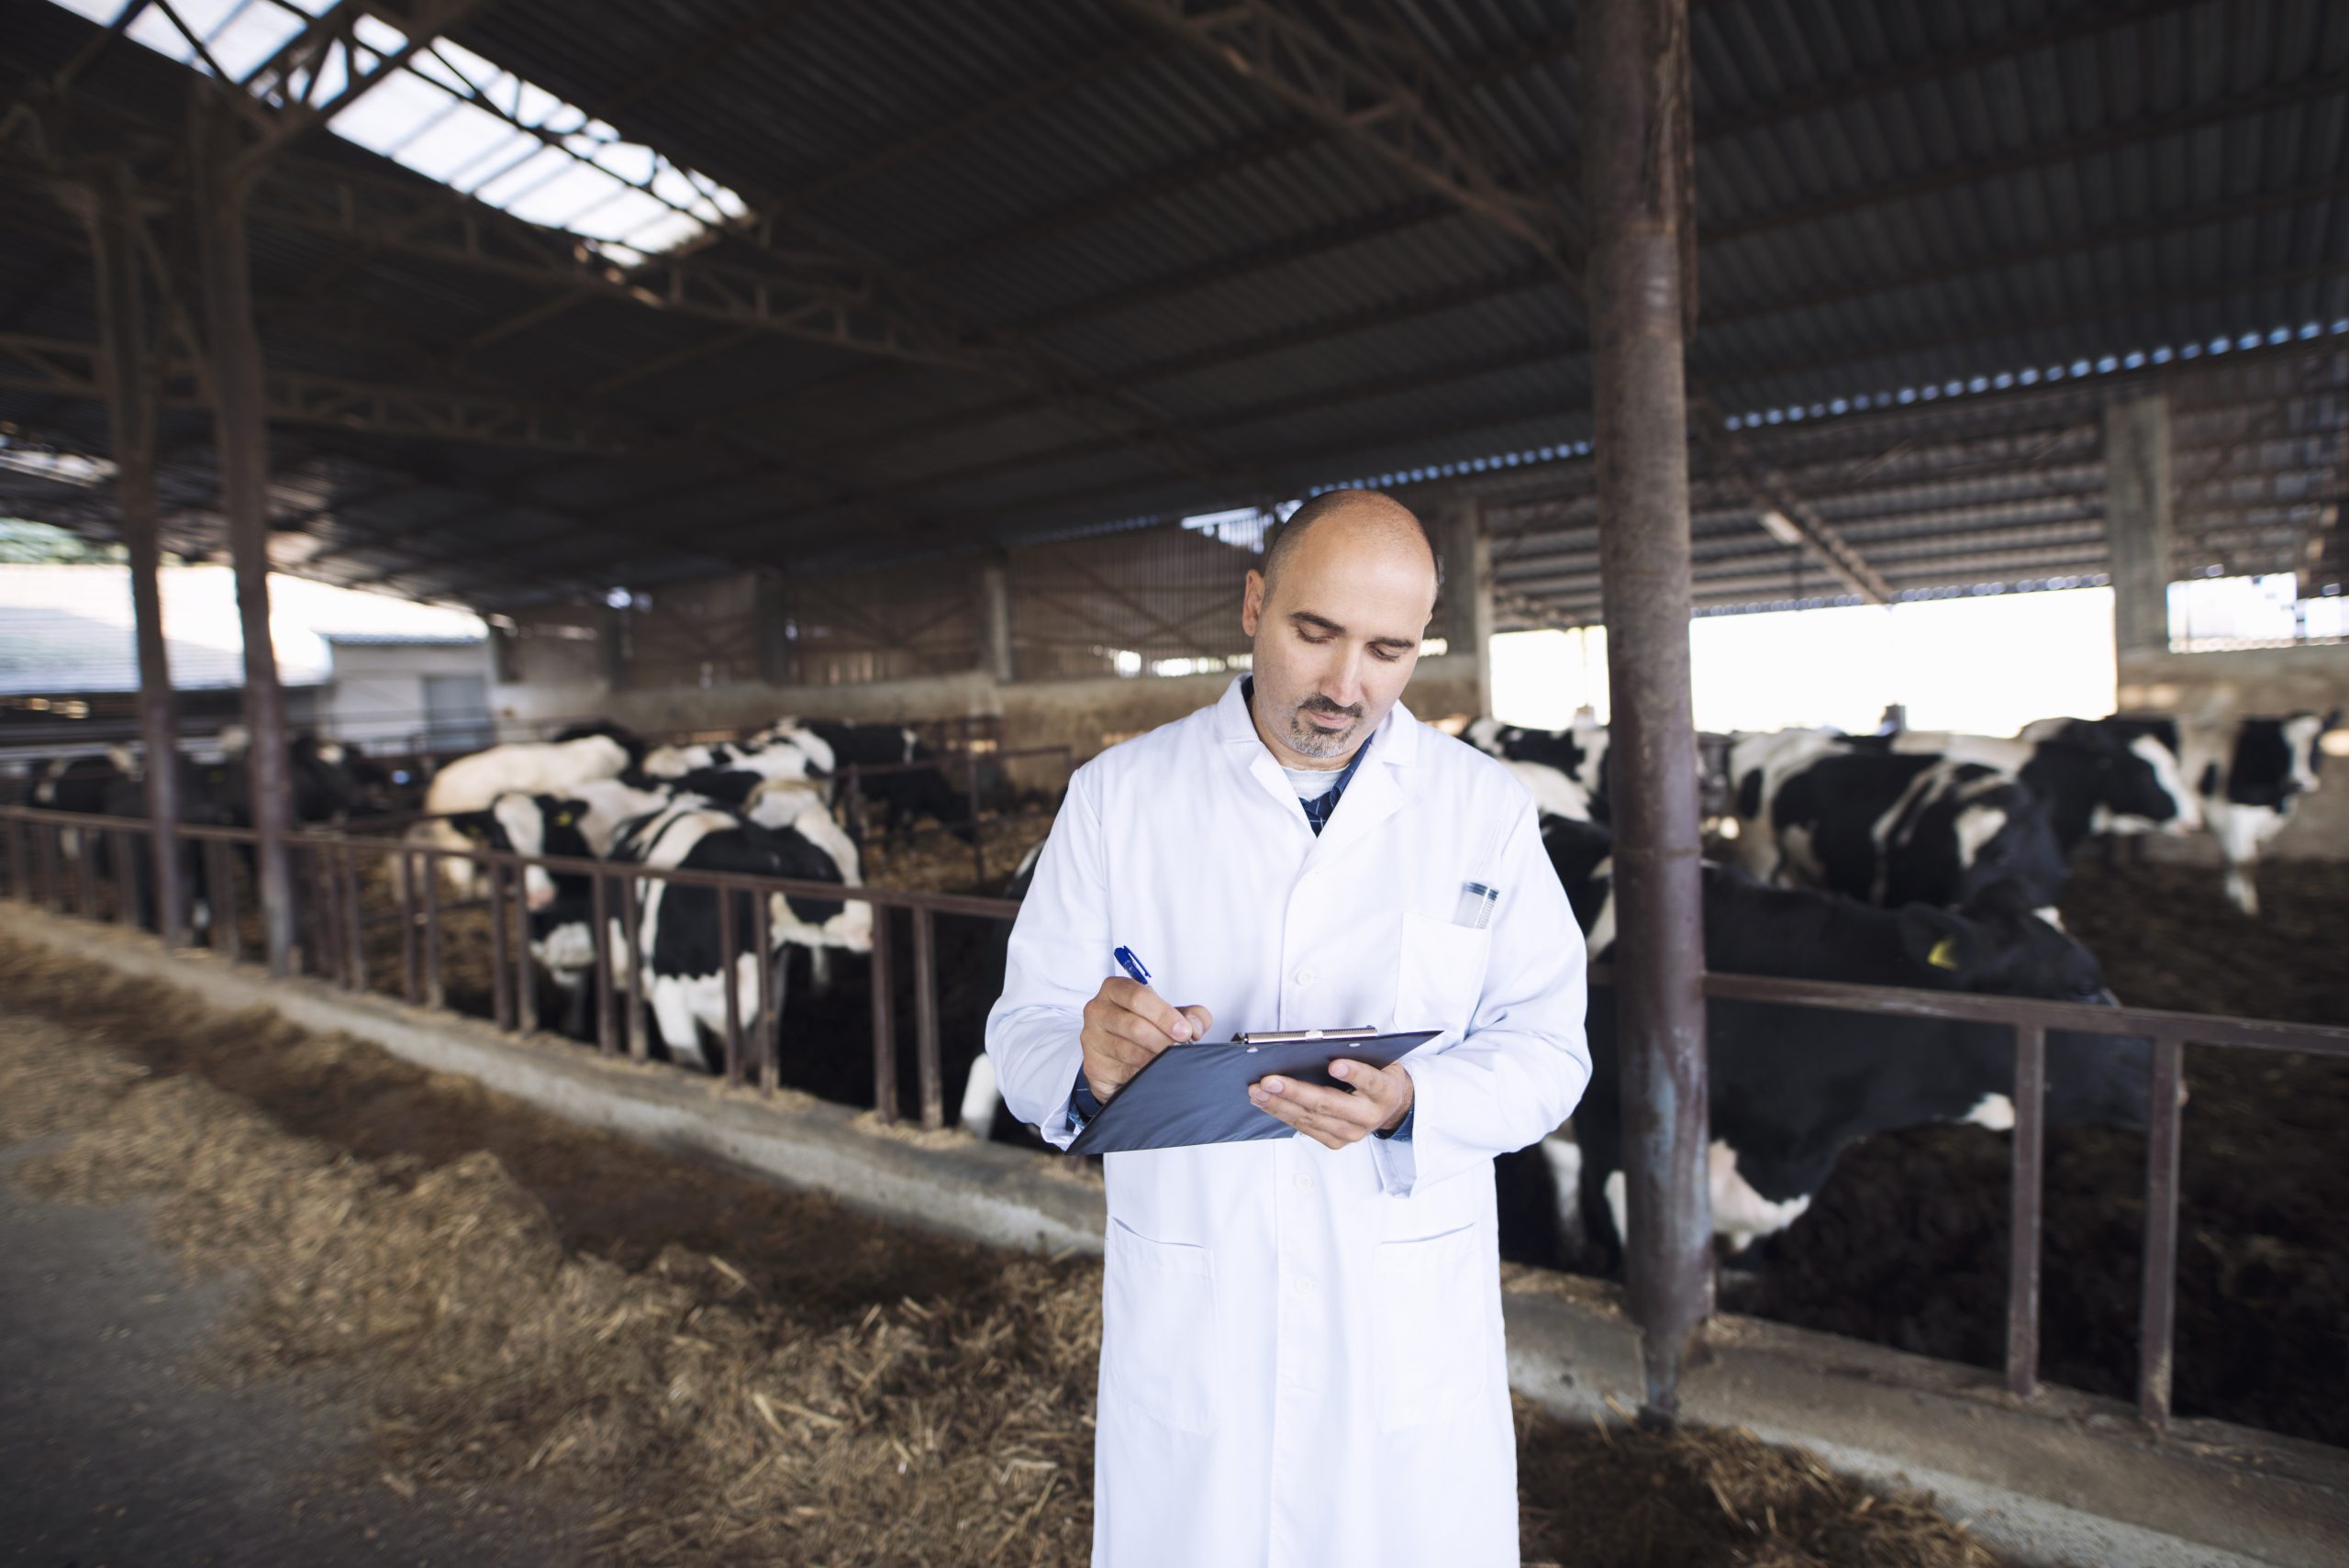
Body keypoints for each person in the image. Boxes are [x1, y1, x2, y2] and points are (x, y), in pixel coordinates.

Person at [985, 489, 1590, 1567]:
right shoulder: (1118, 796)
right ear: (1254, 603)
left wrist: (1419, 1101)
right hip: (1198, 1291)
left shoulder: (1479, 808)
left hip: (1403, 1309)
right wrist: (1085, 1054)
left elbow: (1550, 1045)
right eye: (1314, 632)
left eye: (1388, 650)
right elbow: (1026, 1025)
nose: (1345, 684)